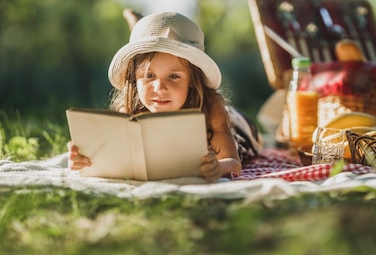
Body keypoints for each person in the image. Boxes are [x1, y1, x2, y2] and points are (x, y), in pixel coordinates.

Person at [68, 11, 256, 182]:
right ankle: (141, 31)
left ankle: (140, 29)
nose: (160, 88)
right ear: (134, 78)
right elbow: (112, 157)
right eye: (149, 75)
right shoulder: (130, 109)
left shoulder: (211, 106)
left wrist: (218, 168)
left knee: (254, 126)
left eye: (173, 76)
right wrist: (84, 158)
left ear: (192, 80)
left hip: (238, 127)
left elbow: (233, 162)